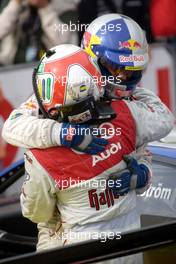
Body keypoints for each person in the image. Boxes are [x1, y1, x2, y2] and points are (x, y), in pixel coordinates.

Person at [19, 45, 173, 255]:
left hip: (77, 253)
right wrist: (144, 174)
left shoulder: (40, 154)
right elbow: (162, 126)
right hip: (130, 250)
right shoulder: (127, 113)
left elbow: (36, 213)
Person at [0, 0, 74, 65]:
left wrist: (45, 7)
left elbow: (63, 43)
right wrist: (15, 5)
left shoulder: (66, 5)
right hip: (11, 67)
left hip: (49, 67)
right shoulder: (11, 3)